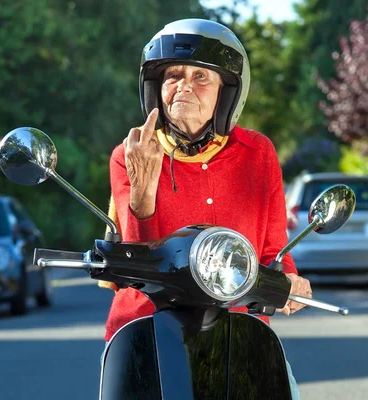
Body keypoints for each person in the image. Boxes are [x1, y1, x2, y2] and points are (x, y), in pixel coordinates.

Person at [100, 18, 311, 397]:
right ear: (155, 89)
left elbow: (271, 249)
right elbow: (134, 261)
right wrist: (143, 191)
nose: (183, 86)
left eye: (201, 77)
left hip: (235, 328)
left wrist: (290, 279)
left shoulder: (257, 153)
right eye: (173, 76)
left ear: (226, 93)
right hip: (147, 325)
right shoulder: (130, 154)